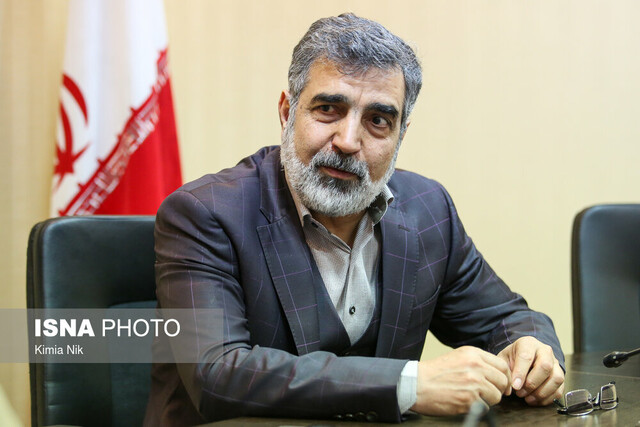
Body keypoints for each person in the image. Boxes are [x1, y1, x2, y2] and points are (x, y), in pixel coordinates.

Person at [144, 13, 565, 426]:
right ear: (287, 112)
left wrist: (529, 349)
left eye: (377, 121)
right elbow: (217, 373)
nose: (348, 142)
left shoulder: (428, 209)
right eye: (328, 109)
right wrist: (409, 384)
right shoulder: (205, 213)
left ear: (400, 134)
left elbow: (505, 318)